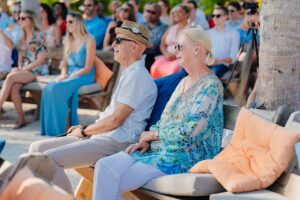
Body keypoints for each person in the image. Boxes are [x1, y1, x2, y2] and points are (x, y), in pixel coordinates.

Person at [92, 27, 224, 200]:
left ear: (197, 49)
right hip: (161, 149)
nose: (174, 51)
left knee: (112, 179)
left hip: (186, 156)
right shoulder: (184, 81)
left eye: (179, 47)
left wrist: (155, 135)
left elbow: (189, 133)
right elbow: (165, 118)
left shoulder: (211, 87)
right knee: (104, 166)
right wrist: (147, 141)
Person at [29, 21, 157, 194]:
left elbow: (115, 121)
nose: (113, 44)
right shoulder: (130, 73)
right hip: (104, 136)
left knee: (49, 160)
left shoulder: (137, 77)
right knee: (36, 149)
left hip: (117, 141)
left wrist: (84, 131)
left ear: (134, 47)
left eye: (118, 40)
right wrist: (85, 129)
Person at [40, 12, 96, 136]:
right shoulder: (67, 40)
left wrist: (70, 77)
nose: (67, 24)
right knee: (48, 88)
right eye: (67, 21)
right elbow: (64, 64)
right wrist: (63, 74)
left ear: (79, 23)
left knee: (56, 88)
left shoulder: (89, 40)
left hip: (84, 75)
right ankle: (50, 130)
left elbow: (87, 67)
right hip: (70, 74)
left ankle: (60, 130)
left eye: (71, 22)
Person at [0, 10, 48, 129]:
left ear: (31, 20)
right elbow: (21, 59)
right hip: (25, 70)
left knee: (11, 77)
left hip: (38, 71)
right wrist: (19, 68)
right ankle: (22, 119)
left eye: (23, 18)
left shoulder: (39, 36)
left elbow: (41, 59)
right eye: (19, 18)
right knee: (14, 88)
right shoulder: (21, 36)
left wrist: (23, 69)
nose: (20, 21)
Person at [150, 4, 190, 78]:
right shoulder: (171, 28)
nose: (176, 14)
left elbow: (189, 47)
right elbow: (162, 44)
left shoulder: (191, 29)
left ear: (186, 14)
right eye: (174, 12)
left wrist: (176, 55)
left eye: (179, 12)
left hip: (181, 59)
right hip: (166, 57)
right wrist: (166, 54)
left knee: (173, 71)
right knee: (154, 68)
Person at [206, 6, 240, 78]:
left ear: (226, 17)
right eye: (213, 16)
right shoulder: (208, 33)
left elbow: (233, 57)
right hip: (206, 64)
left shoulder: (234, 33)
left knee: (209, 77)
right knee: (185, 73)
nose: (215, 18)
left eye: (218, 16)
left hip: (222, 66)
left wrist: (217, 60)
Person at [142, 3, 168, 70]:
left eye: (153, 12)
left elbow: (155, 45)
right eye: (148, 11)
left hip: (154, 58)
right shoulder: (141, 25)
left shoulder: (164, 28)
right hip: (140, 55)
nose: (150, 14)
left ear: (159, 14)